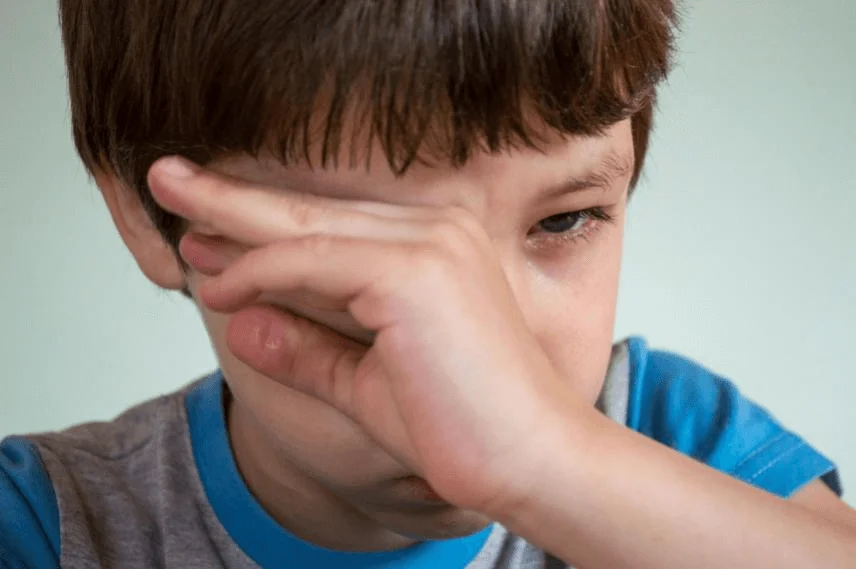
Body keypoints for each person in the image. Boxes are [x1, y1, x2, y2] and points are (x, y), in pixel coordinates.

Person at [1, 1, 854, 567]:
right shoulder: (49, 522)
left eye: (563, 221)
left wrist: (546, 462)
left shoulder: (673, 439)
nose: (478, 339)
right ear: (146, 217)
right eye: (362, 253)